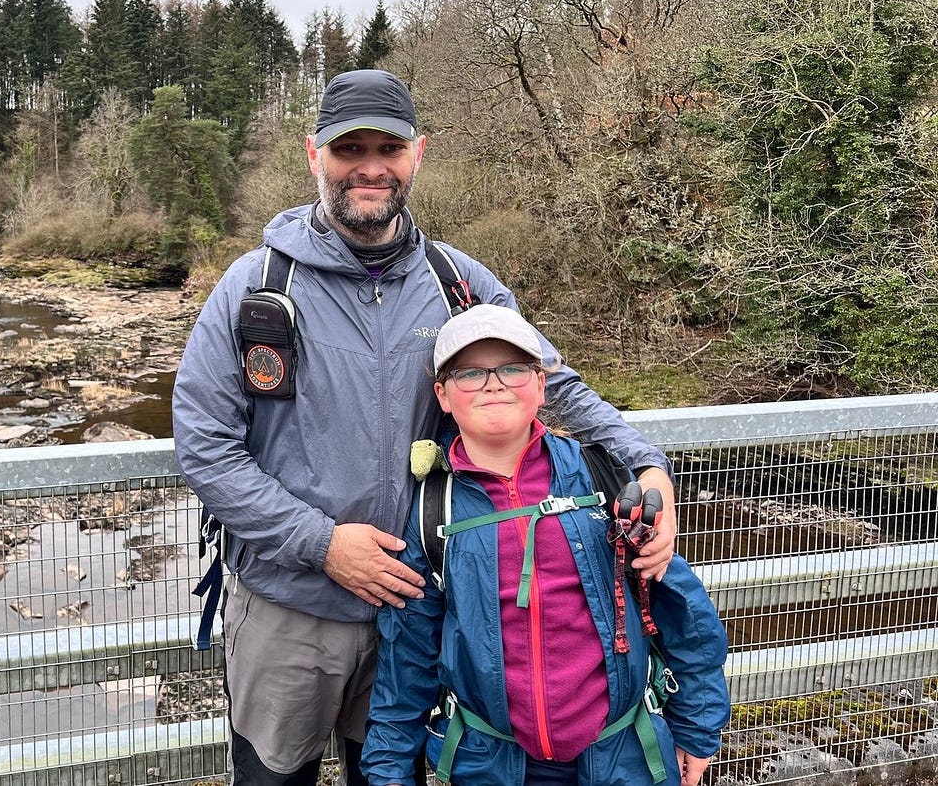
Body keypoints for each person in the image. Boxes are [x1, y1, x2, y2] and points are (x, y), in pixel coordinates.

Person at [171, 68, 679, 785]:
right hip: (289, 610)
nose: (370, 167)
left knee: (390, 773)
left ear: (419, 154)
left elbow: (551, 385)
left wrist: (643, 463)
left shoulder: (460, 284)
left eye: (390, 147)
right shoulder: (253, 289)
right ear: (314, 156)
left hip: (418, 610)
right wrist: (320, 543)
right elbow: (203, 445)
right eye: (350, 150)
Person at [360, 304, 729, 786]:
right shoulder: (433, 511)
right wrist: (388, 772)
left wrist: (698, 727)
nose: (494, 384)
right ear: (443, 396)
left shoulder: (604, 481)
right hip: (490, 765)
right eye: (470, 373)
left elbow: (682, 609)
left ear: (540, 384)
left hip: (627, 758)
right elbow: (405, 657)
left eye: (513, 369)